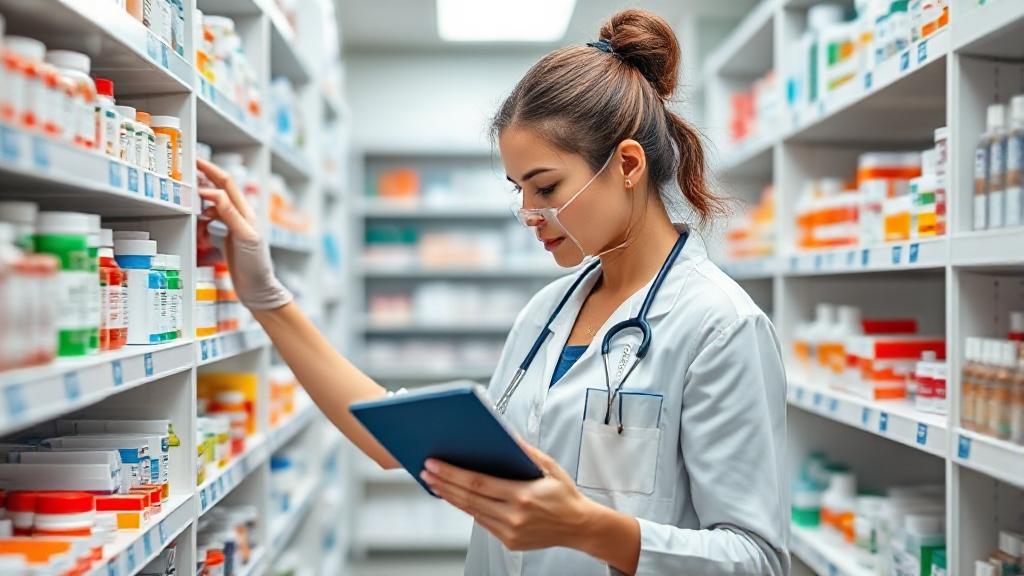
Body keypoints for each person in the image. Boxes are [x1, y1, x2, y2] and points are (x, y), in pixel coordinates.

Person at [197, 8, 789, 576]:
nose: (529, 214)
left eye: (546, 186)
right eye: (519, 190)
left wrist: (587, 527)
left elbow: (755, 558)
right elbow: (391, 442)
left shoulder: (720, 326)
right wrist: (267, 299)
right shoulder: (547, 313)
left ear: (627, 165)